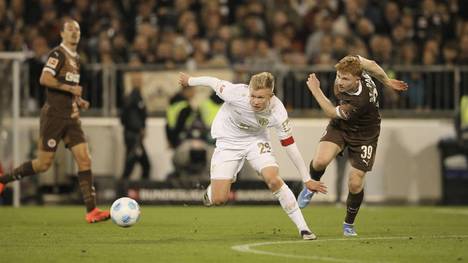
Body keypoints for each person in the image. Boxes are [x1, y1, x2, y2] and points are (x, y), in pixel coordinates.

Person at [179, 71, 328, 240]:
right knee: (219, 199)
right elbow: (213, 81)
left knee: (273, 179)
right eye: (253, 96)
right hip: (228, 141)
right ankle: (214, 190)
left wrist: (306, 179)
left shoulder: (278, 112)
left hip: (256, 140)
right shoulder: (235, 92)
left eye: (261, 98)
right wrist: (190, 80)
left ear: (271, 96)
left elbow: (289, 145)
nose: (255, 101)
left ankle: (304, 229)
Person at [0, 19, 110, 223]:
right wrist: (70, 89)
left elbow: (70, 86)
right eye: (70, 30)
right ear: (62, 33)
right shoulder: (57, 54)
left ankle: (91, 210)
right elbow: (45, 79)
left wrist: (79, 99)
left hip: (72, 116)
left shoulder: (76, 59)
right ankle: (3, 180)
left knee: (85, 159)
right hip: (54, 116)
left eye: (77, 30)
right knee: (43, 164)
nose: (74, 33)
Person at [297, 55, 408, 236]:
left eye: (345, 79)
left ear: (358, 79)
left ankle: (348, 223)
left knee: (355, 182)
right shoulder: (354, 64)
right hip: (341, 127)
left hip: (365, 133)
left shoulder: (360, 101)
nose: (340, 81)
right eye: (339, 76)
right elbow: (371, 64)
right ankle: (311, 186)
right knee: (319, 161)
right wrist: (387, 81)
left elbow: (332, 112)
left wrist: (316, 90)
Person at [120, 69, 150, 181]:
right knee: (134, 163)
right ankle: (123, 187)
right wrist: (140, 128)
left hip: (133, 135)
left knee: (141, 164)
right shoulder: (134, 97)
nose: (139, 82)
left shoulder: (132, 97)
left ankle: (133, 186)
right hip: (134, 136)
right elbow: (132, 117)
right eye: (136, 80)